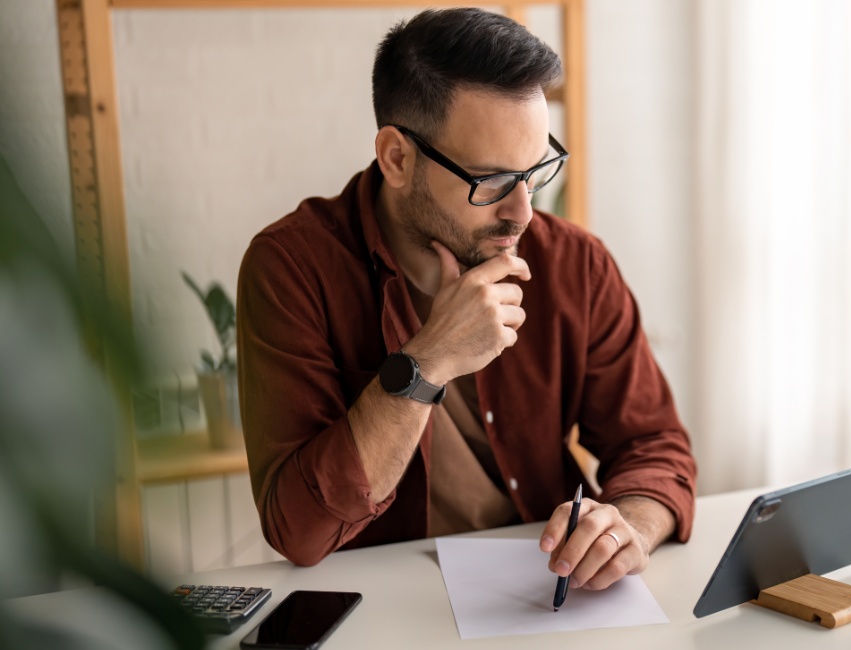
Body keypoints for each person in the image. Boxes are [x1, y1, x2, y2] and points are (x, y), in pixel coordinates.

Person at [236, 7, 696, 593]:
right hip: (386, 608)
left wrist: (625, 527)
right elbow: (298, 529)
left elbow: (655, 447)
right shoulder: (293, 268)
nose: (524, 211)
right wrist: (427, 361)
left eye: (536, 169)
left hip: (544, 597)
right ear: (396, 157)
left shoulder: (575, 263)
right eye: (493, 181)